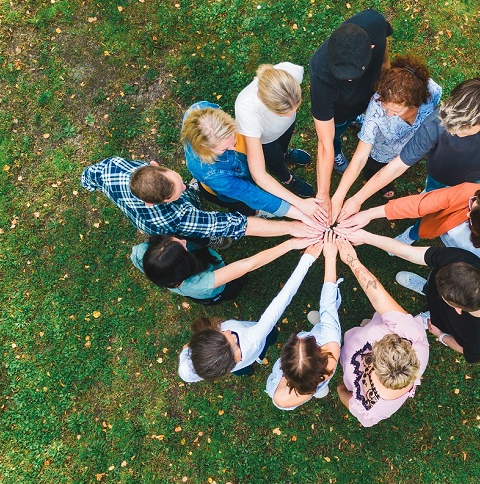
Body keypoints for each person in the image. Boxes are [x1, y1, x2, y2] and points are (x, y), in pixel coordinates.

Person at [335, 78, 480, 223]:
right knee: (433, 197)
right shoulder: (436, 123)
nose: (452, 133)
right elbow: (397, 166)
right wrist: (357, 199)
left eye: (462, 131)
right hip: (440, 176)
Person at [338, 229, 480, 364]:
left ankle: (433, 314)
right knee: (433, 291)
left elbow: (466, 351)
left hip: (446, 322)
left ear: (457, 309)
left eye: (443, 295)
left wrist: (441, 335)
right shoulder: (464, 261)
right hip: (449, 303)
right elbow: (408, 253)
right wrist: (366, 236)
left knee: (437, 315)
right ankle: (427, 288)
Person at [81, 156, 313, 244]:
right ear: (155, 203)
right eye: (177, 192)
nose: (184, 185)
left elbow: (90, 174)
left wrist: (87, 184)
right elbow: (237, 224)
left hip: (139, 208)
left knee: (192, 193)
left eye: (179, 181)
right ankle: (212, 240)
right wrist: (291, 227)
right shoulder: (178, 217)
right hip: (160, 226)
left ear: (153, 166)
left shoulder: (113, 168)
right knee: (198, 235)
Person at [178, 242, 323, 382]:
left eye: (222, 334)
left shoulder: (195, 366)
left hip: (229, 358)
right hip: (258, 344)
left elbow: (186, 369)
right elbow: (283, 299)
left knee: (242, 369)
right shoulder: (253, 339)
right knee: (270, 337)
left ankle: (248, 367)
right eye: (235, 345)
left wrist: (188, 348)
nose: (228, 332)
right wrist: (307, 259)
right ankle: (257, 358)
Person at [334, 237, 429, 426]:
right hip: (359, 336)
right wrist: (353, 261)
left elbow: (345, 396)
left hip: (346, 356)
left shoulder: (371, 409)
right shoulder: (415, 339)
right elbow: (378, 297)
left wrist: (340, 389)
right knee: (367, 326)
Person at [182, 102, 322, 229]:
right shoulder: (213, 174)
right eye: (224, 149)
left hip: (242, 164)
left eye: (233, 139)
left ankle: (283, 155)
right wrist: (301, 213)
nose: (233, 148)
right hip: (230, 193)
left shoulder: (201, 110)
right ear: (204, 146)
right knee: (246, 206)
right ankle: (258, 212)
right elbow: (254, 195)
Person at [309, 9, 393, 219]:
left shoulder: (375, 22)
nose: (348, 80)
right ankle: (340, 148)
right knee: (335, 134)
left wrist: (385, 67)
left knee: (355, 115)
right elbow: (324, 143)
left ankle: (355, 117)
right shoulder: (320, 72)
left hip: (366, 99)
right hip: (338, 112)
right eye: (342, 76)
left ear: (371, 48)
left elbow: (384, 47)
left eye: (354, 74)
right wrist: (323, 194)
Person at [330, 55, 441, 211]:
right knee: (373, 167)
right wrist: (339, 196)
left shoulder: (432, 91)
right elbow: (360, 159)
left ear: (413, 103)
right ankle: (375, 178)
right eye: (385, 106)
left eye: (395, 111)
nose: (387, 114)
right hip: (382, 151)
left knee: (394, 168)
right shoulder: (376, 109)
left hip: (409, 148)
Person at [339, 181, 480, 267]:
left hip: (464, 256)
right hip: (438, 228)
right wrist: (370, 214)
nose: (467, 212)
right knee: (420, 229)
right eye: (472, 204)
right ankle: (409, 236)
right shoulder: (469, 192)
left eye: (473, 218)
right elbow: (420, 204)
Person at [265, 233, 341, 409]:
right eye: (307, 341)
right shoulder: (331, 342)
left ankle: (318, 389)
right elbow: (328, 303)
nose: (300, 337)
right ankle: (319, 388)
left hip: (308, 381)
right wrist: (330, 257)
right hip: (313, 377)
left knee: (315, 386)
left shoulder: (282, 398)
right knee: (326, 320)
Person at [131, 235, 310, 305]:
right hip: (220, 290)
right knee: (237, 283)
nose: (184, 241)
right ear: (185, 266)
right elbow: (249, 264)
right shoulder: (199, 284)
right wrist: (291, 244)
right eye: (182, 246)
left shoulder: (140, 254)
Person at [235, 62, 317, 201]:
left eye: (295, 108)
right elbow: (258, 174)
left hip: (284, 129)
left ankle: (285, 153)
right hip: (266, 140)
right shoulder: (247, 110)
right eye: (282, 113)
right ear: (266, 103)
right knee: (275, 162)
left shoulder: (291, 72)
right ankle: (287, 179)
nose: (290, 115)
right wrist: (299, 203)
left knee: (283, 146)